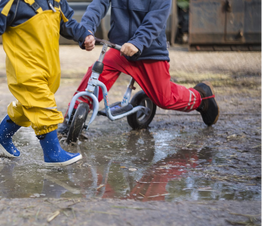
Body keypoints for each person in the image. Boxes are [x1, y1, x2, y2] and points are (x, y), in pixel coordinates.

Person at [0, 0, 94, 166]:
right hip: (25, 68)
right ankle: (52, 153)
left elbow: (67, 23)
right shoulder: (16, 2)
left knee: (30, 104)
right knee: (43, 105)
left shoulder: (56, 2)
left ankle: (2, 133)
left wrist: (83, 35)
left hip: (48, 67)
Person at [57, 0, 219, 136]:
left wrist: (137, 42)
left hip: (149, 51)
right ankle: (71, 118)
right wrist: (86, 30)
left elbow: (156, 18)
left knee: (165, 98)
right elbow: (98, 4)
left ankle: (201, 97)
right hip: (119, 47)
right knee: (96, 75)